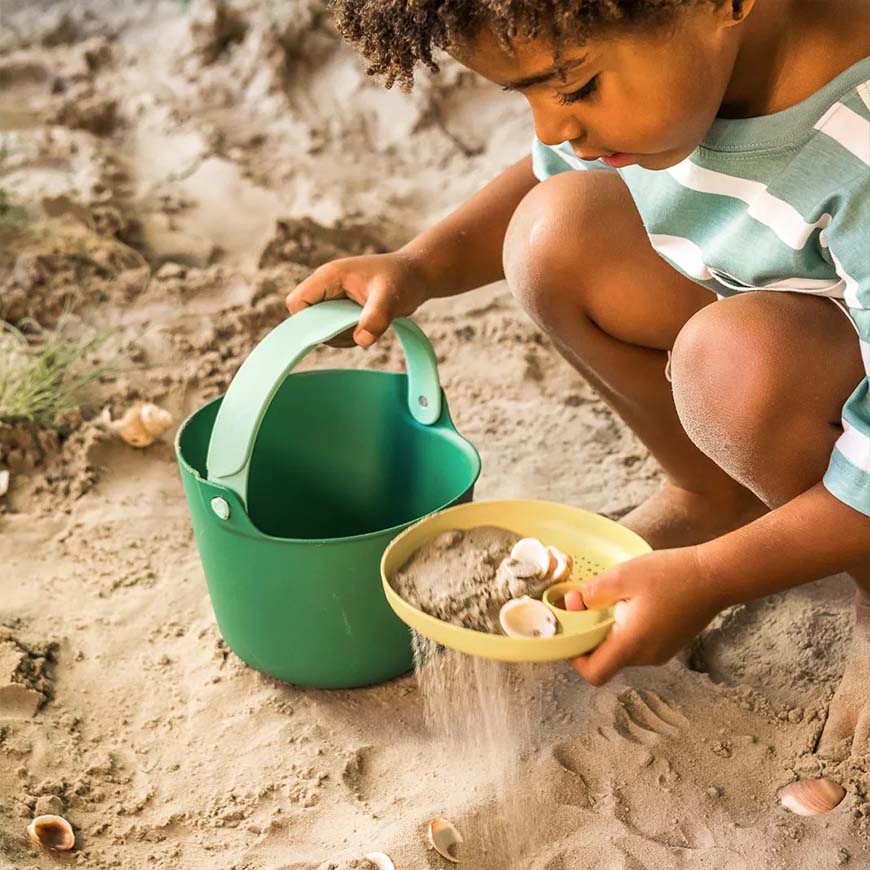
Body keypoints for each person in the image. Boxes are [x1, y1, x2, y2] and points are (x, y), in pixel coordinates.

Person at [285, 0, 870, 798]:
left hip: (811, 373)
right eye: (525, 97)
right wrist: (420, 265)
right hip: (795, 311)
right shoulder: (669, 74)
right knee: (552, 234)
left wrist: (710, 580)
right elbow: (549, 178)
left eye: (577, 86)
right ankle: (712, 494)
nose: (554, 128)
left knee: (732, 364)